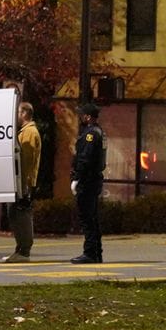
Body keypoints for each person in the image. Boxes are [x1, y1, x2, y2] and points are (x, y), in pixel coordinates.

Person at [70, 103, 106, 264]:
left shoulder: (90, 134)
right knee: (92, 218)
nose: (81, 117)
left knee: (87, 218)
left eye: (83, 114)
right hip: (94, 179)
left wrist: (77, 178)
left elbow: (85, 158)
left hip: (88, 180)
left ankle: (90, 253)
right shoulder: (99, 132)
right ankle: (96, 252)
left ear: (88, 116)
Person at [5, 101, 41, 263]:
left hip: (23, 182)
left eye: (18, 112)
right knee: (15, 214)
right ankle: (20, 249)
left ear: (25, 113)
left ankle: (24, 251)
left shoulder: (30, 133)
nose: (16, 116)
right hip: (20, 181)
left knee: (21, 216)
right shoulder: (25, 132)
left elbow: (26, 160)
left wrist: (23, 183)